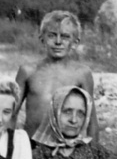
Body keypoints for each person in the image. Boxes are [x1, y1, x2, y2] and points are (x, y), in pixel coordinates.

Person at [14, 11, 98, 139]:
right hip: (32, 145)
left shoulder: (81, 74)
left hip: (66, 148)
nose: (58, 42)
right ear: (42, 39)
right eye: (52, 36)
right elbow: (11, 113)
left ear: (75, 42)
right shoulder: (27, 71)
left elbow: (91, 119)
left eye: (65, 37)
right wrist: (8, 148)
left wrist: (95, 154)